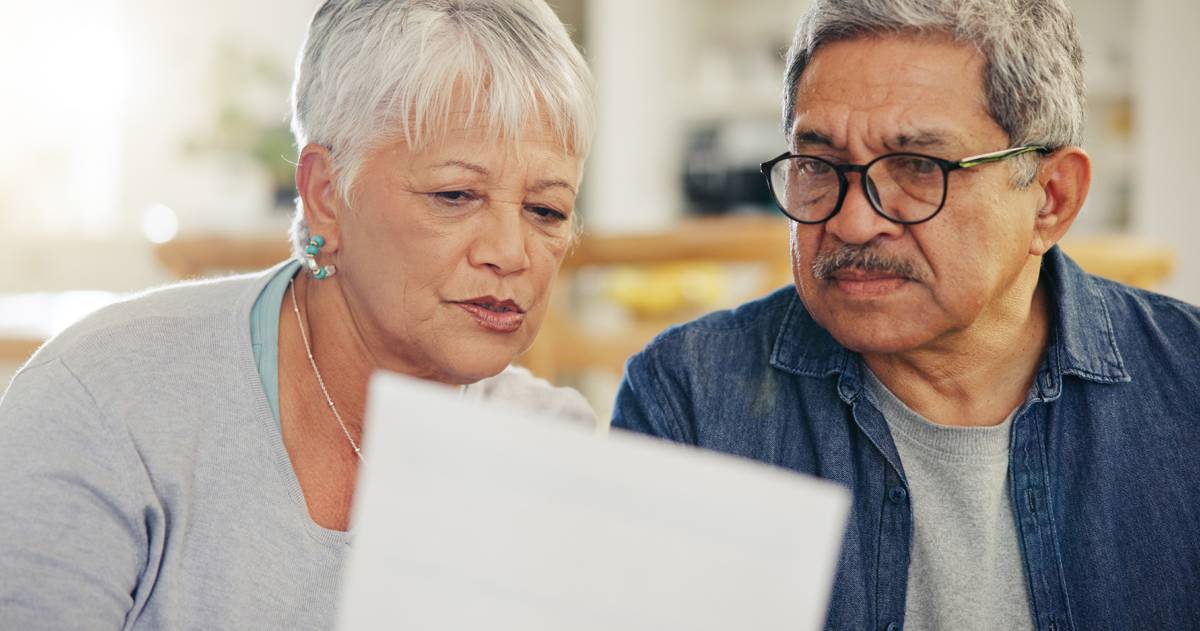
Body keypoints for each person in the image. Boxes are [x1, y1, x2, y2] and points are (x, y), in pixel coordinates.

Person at [0, 1, 594, 628]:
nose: (510, 253)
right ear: (325, 196)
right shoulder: (107, 397)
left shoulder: (555, 450)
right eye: (455, 195)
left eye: (546, 211)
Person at [612, 0, 1200, 629]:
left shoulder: (1187, 384)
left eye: (920, 167)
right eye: (818, 164)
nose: (853, 221)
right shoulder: (689, 399)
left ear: (1051, 200)